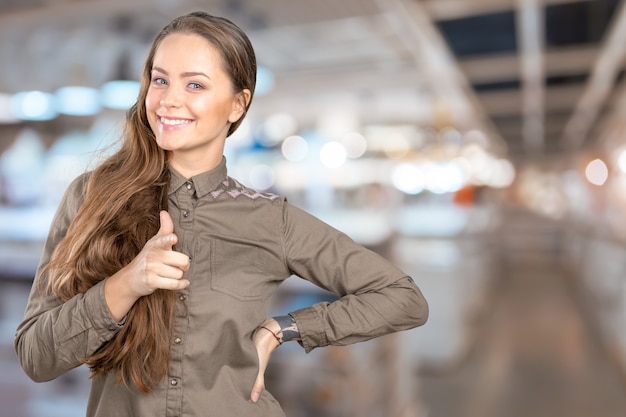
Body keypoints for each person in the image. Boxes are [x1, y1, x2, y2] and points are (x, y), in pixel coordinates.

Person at [14, 11, 428, 417]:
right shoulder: (91, 197)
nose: (169, 99)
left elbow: (403, 299)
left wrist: (283, 329)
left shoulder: (271, 220)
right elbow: (36, 356)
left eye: (195, 84)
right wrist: (128, 282)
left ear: (237, 104)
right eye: (160, 80)